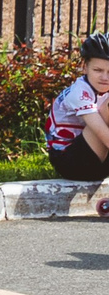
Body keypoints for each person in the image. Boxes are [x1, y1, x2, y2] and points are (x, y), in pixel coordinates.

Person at [44, 32, 109, 208]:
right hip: (70, 162)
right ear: (84, 67)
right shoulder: (78, 93)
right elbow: (103, 134)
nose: (105, 77)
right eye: (98, 70)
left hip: (96, 159)